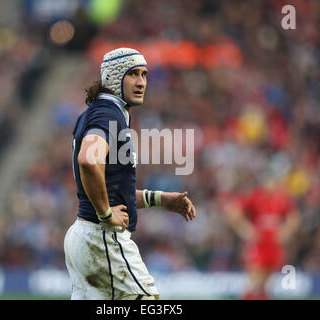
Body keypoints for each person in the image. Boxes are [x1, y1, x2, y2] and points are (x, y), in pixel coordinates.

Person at [64, 48, 196, 300]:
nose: (142, 82)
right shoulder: (108, 113)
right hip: (101, 238)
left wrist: (161, 198)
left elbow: (113, 192)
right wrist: (105, 214)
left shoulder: (96, 113)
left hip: (84, 236)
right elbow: (88, 160)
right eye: (133, 74)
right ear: (114, 77)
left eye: (144, 74)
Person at [224, 175, 300, 300]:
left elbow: (294, 217)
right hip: (258, 244)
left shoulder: (281, 198)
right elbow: (232, 210)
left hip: (273, 244)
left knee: (266, 282)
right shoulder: (255, 196)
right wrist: (244, 229)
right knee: (254, 280)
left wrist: (286, 232)